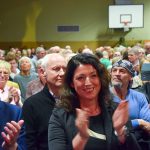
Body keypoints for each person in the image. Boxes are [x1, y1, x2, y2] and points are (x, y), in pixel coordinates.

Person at [48, 53, 141, 150]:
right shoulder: (60, 116)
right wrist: (81, 137)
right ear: (71, 83)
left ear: (100, 79)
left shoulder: (116, 110)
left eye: (93, 76)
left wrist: (121, 131)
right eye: (80, 78)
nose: (88, 83)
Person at [22, 53, 67, 150]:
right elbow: (30, 142)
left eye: (65, 69)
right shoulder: (31, 104)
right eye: (56, 69)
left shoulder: (76, 99)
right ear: (42, 72)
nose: (62, 73)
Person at [110, 59, 150, 142]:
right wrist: (138, 122)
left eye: (122, 71)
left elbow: (147, 123)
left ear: (130, 76)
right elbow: (108, 126)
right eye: (114, 70)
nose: (117, 74)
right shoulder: (103, 97)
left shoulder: (139, 97)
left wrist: (141, 123)